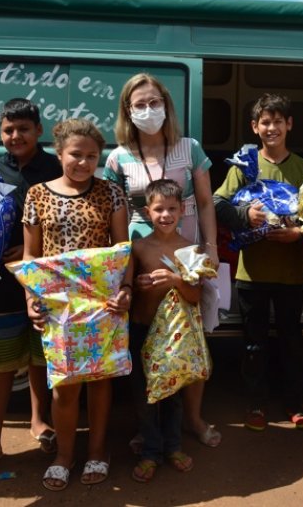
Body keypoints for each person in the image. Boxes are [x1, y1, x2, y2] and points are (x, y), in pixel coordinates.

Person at [104, 72, 222, 448]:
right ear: (128, 110)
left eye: (155, 102)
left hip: (187, 251)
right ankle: (149, 423)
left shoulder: (190, 147)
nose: (148, 110)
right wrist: (123, 268)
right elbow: (114, 211)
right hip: (142, 253)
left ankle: (193, 418)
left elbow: (205, 201)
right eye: (139, 104)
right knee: (147, 337)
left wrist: (212, 248)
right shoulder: (118, 157)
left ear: (166, 106)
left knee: (191, 335)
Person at [23, 119, 131, 490]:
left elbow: (122, 251)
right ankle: (64, 456)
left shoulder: (112, 194)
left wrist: (126, 288)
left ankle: (98, 451)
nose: (83, 163)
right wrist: (30, 300)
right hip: (59, 306)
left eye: (91, 156)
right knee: (64, 386)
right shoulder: (37, 194)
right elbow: (30, 256)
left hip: (104, 304)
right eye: (75, 155)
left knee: (100, 383)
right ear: (58, 152)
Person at [0, 99, 63, 481]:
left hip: (44, 281)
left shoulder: (55, 169)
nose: (15, 136)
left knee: (42, 358)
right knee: (0, 363)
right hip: (3, 283)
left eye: (23, 129)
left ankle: (40, 422)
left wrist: (32, 250)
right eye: (8, 130)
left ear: (39, 130)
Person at [214, 94, 303, 431]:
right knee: (253, 341)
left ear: (289, 124)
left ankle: (294, 403)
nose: (271, 128)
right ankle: (255, 404)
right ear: (254, 127)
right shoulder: (243, 165)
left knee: (291, 339)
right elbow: (218, 203)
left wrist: (298, 234)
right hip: (251, 272)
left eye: (278, 121)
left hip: (289, 272)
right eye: (265, 122)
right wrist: (247, 215)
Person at [129, 178, 202, 482]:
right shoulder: (138, 248)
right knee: (144, 395)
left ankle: (173, 446)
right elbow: (127, 291)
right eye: (159, 209)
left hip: (175, 336)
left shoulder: (189, 249)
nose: (165, 215)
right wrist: (139, 285)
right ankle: (151, 450)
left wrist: (175, 281)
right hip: (142, 329)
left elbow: (196, 296)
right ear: (148, 212)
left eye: (172, 208)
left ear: (182, 210)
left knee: (172, 394)